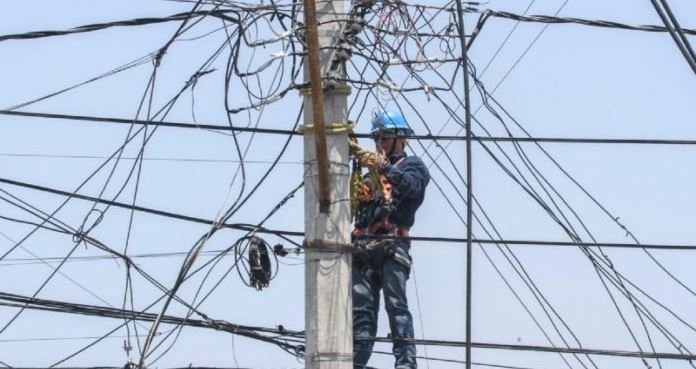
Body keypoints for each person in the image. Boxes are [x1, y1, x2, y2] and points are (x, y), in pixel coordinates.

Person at [352, 109, 430, 369]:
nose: (379, 144)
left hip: (392, 247)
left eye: (384, 138)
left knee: (396, 306)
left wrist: (385, 168)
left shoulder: (413, 167)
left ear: (399, 139)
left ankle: (406, 363)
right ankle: (354, 362)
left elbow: (413, 188)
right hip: (363, 250)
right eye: (377, 138)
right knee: (362, 315)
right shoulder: (366, 176)